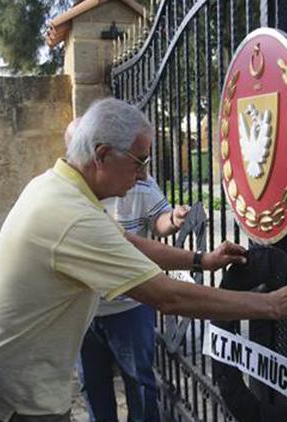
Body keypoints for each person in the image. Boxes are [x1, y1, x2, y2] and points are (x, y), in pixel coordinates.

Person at [0, 98, 287, 421]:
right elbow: (167, 297)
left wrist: (200, 260)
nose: (144, 175)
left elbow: (124, 240)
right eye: (138, 161)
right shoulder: (71, 215)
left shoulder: (55, 187)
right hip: (17, 401)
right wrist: (272, 305)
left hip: (7, 381)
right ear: (101, 155)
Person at [65, 117, 188, 422]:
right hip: (86, 309)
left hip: (129, 306)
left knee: (140, 383)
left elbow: (155, 223)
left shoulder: (139, 180)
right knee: (92, 385)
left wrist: (173, 220)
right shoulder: (68, 195)